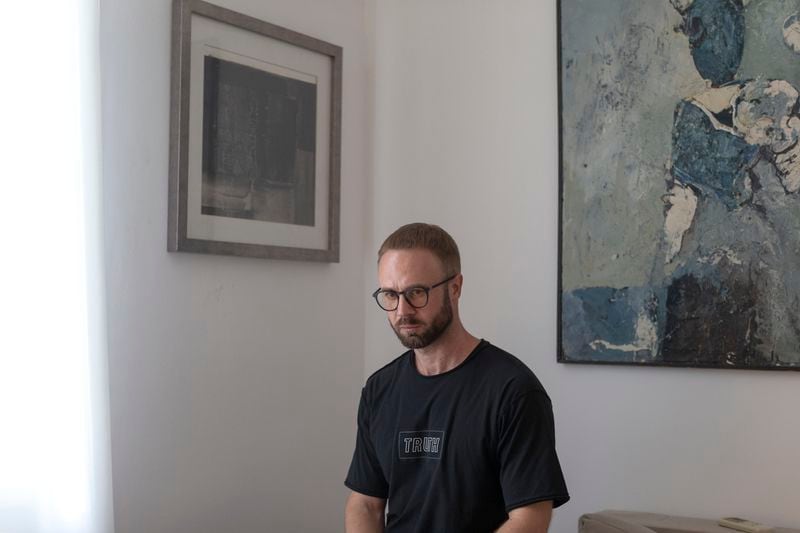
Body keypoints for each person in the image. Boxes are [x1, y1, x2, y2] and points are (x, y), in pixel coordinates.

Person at [344, 223, 569, 532]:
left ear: (455, 287)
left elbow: (530, 518)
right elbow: (365, 503)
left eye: (416, 293)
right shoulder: (379, 390)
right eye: (390, 295)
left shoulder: (513, 391)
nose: (402, 310)